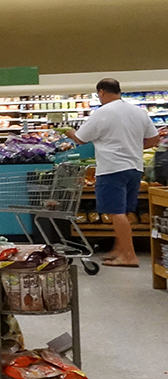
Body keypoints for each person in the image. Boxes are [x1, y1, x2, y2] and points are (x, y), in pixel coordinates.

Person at [63, 78, 163, 268]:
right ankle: (119, 249)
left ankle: (129, 256)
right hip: (134, 168)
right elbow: (154, 139)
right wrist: (131, 147)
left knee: (116, 212)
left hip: (112, 168)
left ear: (101, 92)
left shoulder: (102, 113)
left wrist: (68, 132)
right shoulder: (138, 111)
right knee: (123, 211)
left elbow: (81, 139)